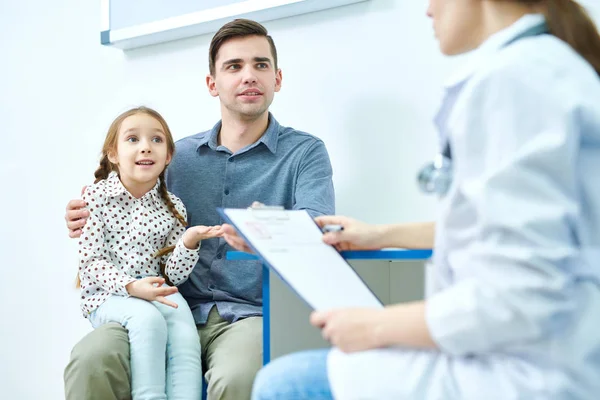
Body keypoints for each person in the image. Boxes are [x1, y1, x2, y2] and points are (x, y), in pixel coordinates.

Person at [225, 1, 600, 399]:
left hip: (525, 374)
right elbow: (505, 231)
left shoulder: (514, 82)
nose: (427, 11)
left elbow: (522, 293)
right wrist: (381, 233)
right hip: (542, 350)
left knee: (285, 384)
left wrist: (376, 325)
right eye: (234, 66)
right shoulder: (546, 69)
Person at [63, 19, 335, 400]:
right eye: (233, 66)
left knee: (239, 377)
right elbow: (124, 197)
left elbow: (317, 231)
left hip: (250, 315)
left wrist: (265, 234)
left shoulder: (305, 153)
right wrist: (83, 211)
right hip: (162, 307)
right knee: (91, 359)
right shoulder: (176, 156)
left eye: (260, 65)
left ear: (277, 78)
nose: (249, 76)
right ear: (212, 84)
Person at [78, 106, 222, 399]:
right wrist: (131, 287)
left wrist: (189, 242)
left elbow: (173, 274)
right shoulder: (95, 198)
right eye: (133, 139)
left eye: (156, 140)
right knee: (147, 320)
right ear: (113, 154)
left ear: (168, 156)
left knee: (184, 335)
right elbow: (91, 263)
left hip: (156, 291)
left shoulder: (173, 207)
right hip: (109, 295)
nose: (146, 147)